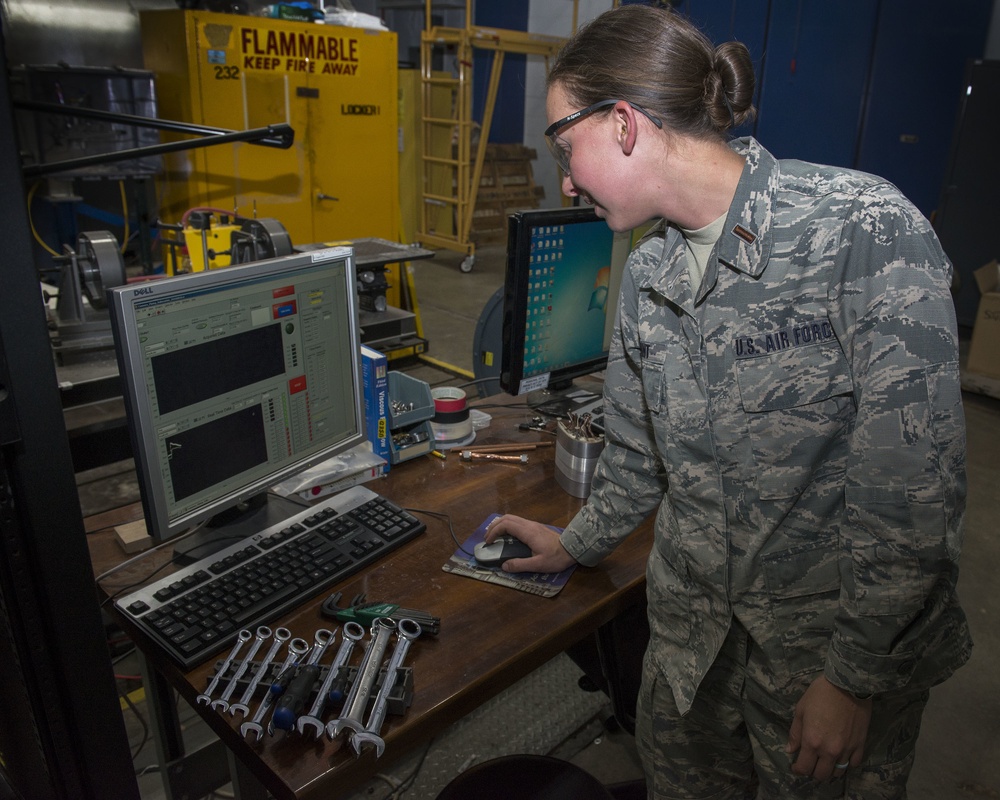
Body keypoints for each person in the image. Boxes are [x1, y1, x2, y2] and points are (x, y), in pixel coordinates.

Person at [484, 5, 972, 798]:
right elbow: (639, 462)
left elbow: (913, 497)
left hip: (822, 668)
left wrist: (852, 679)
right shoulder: (648, 277)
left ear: (624, 124)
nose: (565, 178)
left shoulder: (862, 230)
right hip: (688, 661)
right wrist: (575, 543)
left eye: (566, 146)